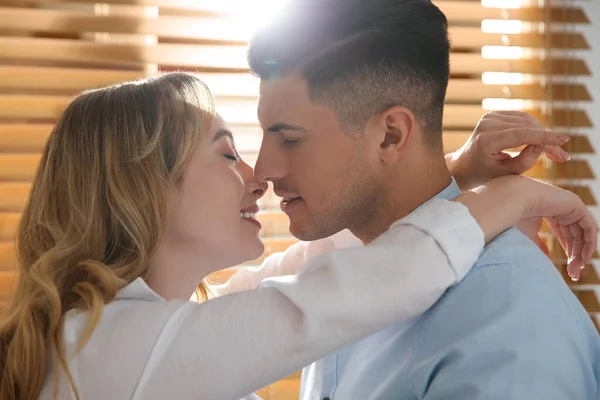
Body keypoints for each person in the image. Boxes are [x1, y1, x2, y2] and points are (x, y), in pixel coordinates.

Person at [0, 73, 593, 400]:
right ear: (142, 187)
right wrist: (507, 198)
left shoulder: (131, 331)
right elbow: (338, 295)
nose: (258, 175)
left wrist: (450, 176)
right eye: (227, 153)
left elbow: (313, 266)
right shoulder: (103, 352)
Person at [240, 0, 600, 398]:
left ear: (391, 135)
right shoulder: (336, 284)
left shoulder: (505, 311)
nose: (262, 170)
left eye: (290, 139)